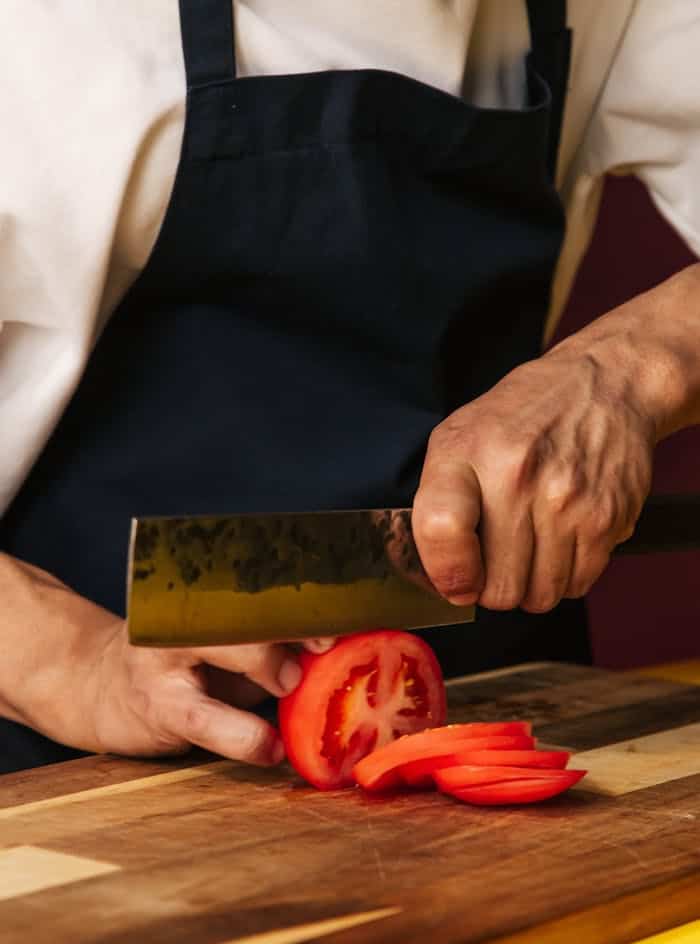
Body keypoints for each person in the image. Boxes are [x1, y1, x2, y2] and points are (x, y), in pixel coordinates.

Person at [0, 1, 699, 775]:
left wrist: (637, 365)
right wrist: (76, 663)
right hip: (82, 781)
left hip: (503, 726)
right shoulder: (46, 34)